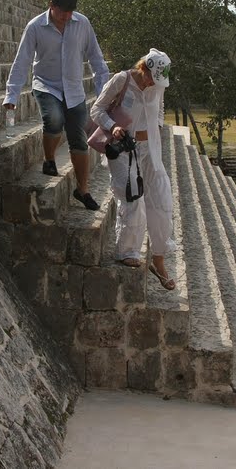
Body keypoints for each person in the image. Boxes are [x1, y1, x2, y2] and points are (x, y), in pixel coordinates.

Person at [4, 0, 110, 210]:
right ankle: (50, 158)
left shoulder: (82, 24)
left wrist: (103, 94)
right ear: (51, 6)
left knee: (80, 140)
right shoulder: (35, 27)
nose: (66, 17)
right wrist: (11, 94)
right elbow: (22, 60)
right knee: (53, 119)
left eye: (70, 12)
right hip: (46, 85)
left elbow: (96, 59)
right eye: (62, 12)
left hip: (74, 90)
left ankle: (83, 190)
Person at [91, 48, 177, 290]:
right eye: (150, 77)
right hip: (121, 148)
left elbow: (159, 110)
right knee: (132, 198)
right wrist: (113, 126)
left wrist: (156, 127)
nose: (152, 83)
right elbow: (97, 109)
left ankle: (158, 259)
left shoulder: (157, 87)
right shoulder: (122, 79)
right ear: (143, 68)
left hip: (149, 149)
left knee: (162, 198)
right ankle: (128, 251)